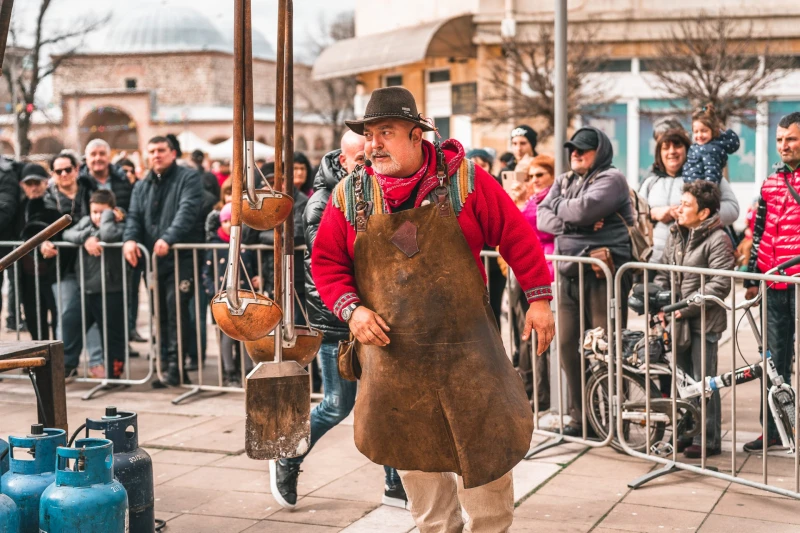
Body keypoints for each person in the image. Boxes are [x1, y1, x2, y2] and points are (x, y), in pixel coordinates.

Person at [311, 87, 554, 531]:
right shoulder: (350, 195)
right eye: (369, 134)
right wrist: (353, 311)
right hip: (394, 360)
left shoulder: (467, 179)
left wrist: (539, 298)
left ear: (416, 134)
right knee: (418, 468)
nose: (374, 144)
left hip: (469, 356)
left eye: (385, 132)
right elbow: (326, 262)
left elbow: (517, 235)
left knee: (486, 460)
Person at [271, 131, 407, 511]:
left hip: (377, 317)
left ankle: (395, 483)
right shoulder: (321, 202)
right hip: (337, 324)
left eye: (371, 160)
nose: (368, 168)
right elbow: (328, 268)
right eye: (360, 162)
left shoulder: (375, 190)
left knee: (387, 402)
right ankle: (287, 456)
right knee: (335, 405)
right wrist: (351, 309)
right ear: (343, 161)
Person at [537, 127, 635, 437]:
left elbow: (582, 210)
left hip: (602, 274)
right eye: (573, 149)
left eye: (584, 149)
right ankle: (585, 419)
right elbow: (542, 216)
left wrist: (566, 216)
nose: (576, 154)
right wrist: (575, 222)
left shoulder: (612, 179)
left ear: (600, 151)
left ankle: (616, 421)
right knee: (567, 346)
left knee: (607, 349)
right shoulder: (565, 179)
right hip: (570, 273)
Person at [653, 181, 733, 458]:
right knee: (684, 382)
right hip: (678, 318)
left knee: (704, 382)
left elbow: (721, 283)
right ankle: (687, 432)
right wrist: (662, 301)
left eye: (686, 205)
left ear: (703, 213)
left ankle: (708, 439)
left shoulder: (718, 238)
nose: (679, 208)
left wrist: (682, 307)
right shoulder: (677, 233)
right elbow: (664, 272)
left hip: (704, 321)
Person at [123, 136, 203, 388]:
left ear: (172, 153)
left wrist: (168, 238)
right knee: (159, 313)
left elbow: (187, 211)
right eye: (151, 151)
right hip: (154, 262)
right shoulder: (142, 185)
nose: (156, 155)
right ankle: (165, 365)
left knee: (177, 309)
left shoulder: (188, 178)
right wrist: (130, 240)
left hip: (181, 259)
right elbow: (134, 217)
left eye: (161, 150)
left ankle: (176, 367)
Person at [744, 111, 800, 452]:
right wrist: (752, 274)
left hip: (799, 283)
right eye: (780, 140)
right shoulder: (771, 181)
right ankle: (776, 430)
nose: (784, 146)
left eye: (791, 139)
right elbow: (760, 232)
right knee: (774, 362)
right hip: (772, 283)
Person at [42, 151, 111, 376]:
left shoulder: (90, 191)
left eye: (67, 169)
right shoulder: (47, 199)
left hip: (91, 263)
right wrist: (44, 242)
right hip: (62, 266)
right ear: (53, 174)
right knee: (67, 316)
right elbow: (37, 227)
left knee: (90, 315)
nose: (63, 174)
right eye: (58, 171)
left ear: (76, 170)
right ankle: (65, 364)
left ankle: (96, 361)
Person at [640, 128, 740, 264]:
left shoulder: (705, 175)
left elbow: (732, 210)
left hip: (694, 263)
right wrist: (653, 214)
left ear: (688, 149)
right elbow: (635, 215)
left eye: (677, 145)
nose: (671, 151)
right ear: (659, 153)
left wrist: (697, 215)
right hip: (654, 261)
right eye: (666, 148)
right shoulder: (650, 182)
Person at [62, 190, 128, 379]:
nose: (98, 216)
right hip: (86, 287)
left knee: (113, 333)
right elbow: (68, 233)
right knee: (71, 323)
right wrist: (86, 238)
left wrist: (108, 219)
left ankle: (114, 372)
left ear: (113, 211)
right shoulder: (86, 223)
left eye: (103, 212)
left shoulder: (120, 224)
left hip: (111, 289)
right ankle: (67, 365)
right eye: (95, 212)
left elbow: (108, 235)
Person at [515, 154, 556, 412]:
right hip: (527, 274)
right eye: (530, 176)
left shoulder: (552, 199)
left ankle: (543, 398)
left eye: (539, 175)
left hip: (548, 275)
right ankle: (533, 393)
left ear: (552, 174)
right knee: (527, 337)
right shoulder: (532, 199)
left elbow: (542, 228)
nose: (534, 180)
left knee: (543, 338)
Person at [203, 202, 256, 386]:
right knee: (226, 338)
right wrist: (212, 292)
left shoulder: (245, 245)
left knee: (245, 336)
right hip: (222, 301)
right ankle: (229, 371)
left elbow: (251, 269)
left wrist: (255, 281)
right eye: (225, 221)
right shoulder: (215, 245)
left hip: (244, 299)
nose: (229, 225)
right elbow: (206, 272)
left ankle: (247, 369)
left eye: (232, 221)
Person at [16, 163, 59, 341]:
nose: (33, 187)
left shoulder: (53, 204)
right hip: (27, 274)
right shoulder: (19, 208)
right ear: (22, 185)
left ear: (45, 182)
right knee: (33, 316)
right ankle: (39, 357)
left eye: (37, 182)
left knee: (57, 316)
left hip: (51, 271)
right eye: (29, 183)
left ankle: (56, 358)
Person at [683, 103, 740, 184]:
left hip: (701, 190)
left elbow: (712, 173)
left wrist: (707, 191)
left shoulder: (710, 150)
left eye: (704, 131)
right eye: (696, 131)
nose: (699, 135)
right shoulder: (698, 147)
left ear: (713, 131)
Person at [80, 139, 133, 211]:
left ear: (109, 157)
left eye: (102, 154)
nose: (98, 158)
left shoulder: (123, 178)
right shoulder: (80, 182)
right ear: (86, 159)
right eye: (93, 154)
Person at [0, 156, 21, 333]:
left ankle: (14, 318)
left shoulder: (6, 173)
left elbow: (6, 209)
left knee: (16, 283)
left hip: (10, 243)